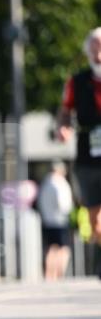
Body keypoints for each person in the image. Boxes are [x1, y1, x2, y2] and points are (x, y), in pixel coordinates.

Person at [56, 26, 101, 276]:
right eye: (94, 50)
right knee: (95, 221)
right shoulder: (77, 81)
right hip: (87, 156)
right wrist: (63, 127)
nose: (98, 55)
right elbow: (65, 111)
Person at [37, 163, 73, 280]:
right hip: (60, 220)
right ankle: (59, 274)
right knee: (64, 249)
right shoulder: (59, 184)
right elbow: (64, 204)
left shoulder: (45, 184)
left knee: (51, 249)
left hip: (48, 221)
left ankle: (49, 274)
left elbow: (40, 203)